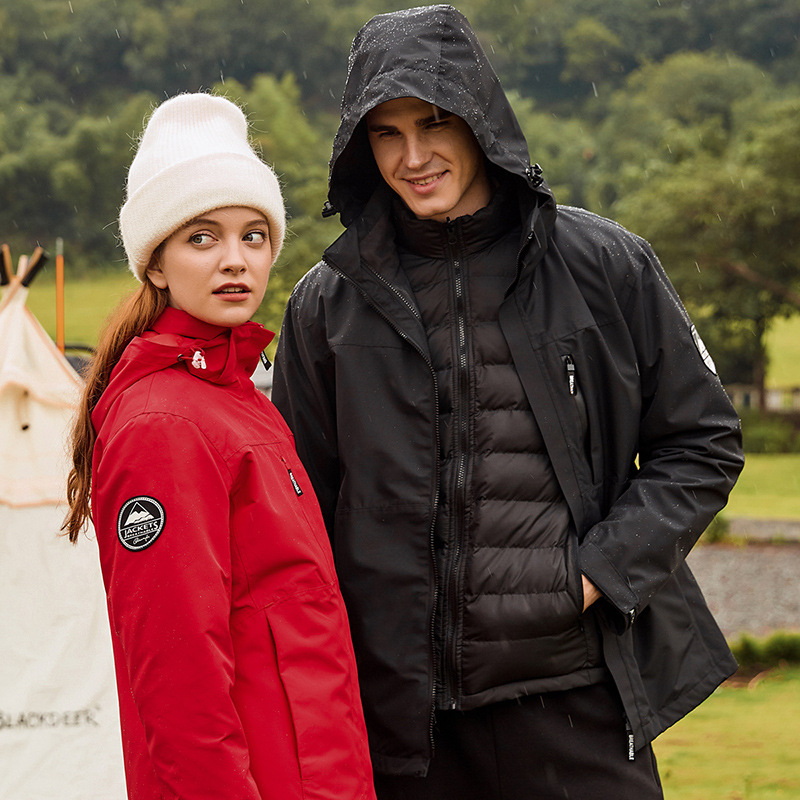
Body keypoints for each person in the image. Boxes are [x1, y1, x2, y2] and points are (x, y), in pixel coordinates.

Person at [271, 6, 745, 799]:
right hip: (399, 729)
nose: (414, 157)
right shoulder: (327, 304)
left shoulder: (606, 267)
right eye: (386, 134)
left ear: (479, 117)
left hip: (574, 705)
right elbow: (298, 509)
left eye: (433, 122)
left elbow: (700, 445)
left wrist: (593, 574)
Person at [62, 93, 376, 800]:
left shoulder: (235, 399)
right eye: (202, 237)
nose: (235, 260)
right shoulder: (164, 426)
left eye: (253, 235)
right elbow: (177, 678)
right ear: (157, 264)